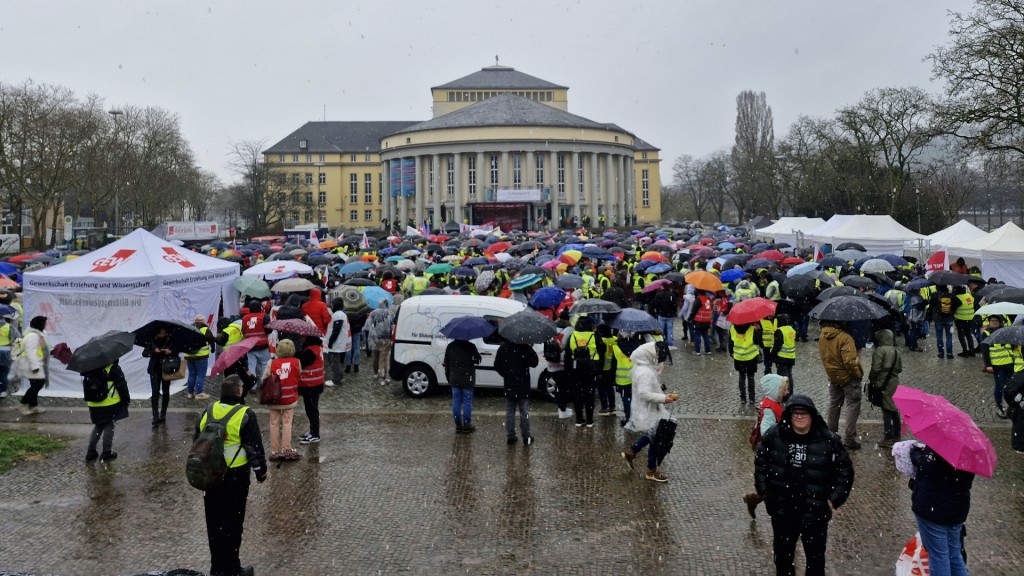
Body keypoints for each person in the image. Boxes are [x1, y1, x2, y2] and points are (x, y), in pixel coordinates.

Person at [754, 395, 855, 576]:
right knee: (783, 558)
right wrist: (764, 491)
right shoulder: (774, 435)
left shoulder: (829, 440)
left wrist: (834, 500)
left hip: (815, 513)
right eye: (796, 414)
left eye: (804, 413)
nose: (799, 417)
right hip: (783, 511)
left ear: (812, 416)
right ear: (789, 416)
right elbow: (761, 460)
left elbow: (845, 470)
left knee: (815, 561)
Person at [195, 374, 267, 576]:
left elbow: (197, 440)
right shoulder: (245, 414)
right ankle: (233, 569)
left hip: (211, 475)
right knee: (233, 524)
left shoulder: (207, 411)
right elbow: (254, 448)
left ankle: (216, 568)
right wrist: (260, 471)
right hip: (235, 476)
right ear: (239, 391)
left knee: (214, 523)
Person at [903, 442, 974, 576]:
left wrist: (915, 454)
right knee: (954, 554)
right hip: (957, 507)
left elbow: (929, 466)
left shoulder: (941, 444)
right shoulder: (970, 446)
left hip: (934, 509)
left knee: (938, 556)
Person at [620, 342, 678, 483]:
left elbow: (647, 388)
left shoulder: (644, 368)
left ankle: (632, 452)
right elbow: (644, 393)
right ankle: (651, 470)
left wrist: (659, 388)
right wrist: (664, 398)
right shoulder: (645, 371)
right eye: (657, 353)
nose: (658, 356)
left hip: (649, 410)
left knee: (653, 436)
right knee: (655, 439)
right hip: (648, 410)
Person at [742, 373, 789, 518]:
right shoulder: (770, 408)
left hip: (774, 452)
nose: (787, 392)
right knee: (778, 482)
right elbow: (765, 430)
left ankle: (755, 499)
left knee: (776, 482)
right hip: (772, 453)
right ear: (776, 391)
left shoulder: (771, 404)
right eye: (785, 390)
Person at [819, 320, 864, 449]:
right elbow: (849, 362)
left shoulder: (823, 336)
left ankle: (831, 434)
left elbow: (824, 357)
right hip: (848, 378)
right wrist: (857, 374)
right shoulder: (845, 338)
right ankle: (849, 438)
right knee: (853, 405)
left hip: (833, 376)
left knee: (834, 404)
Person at [83, 360, 130, 463]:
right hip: (108, 403)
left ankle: (91, 452)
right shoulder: (113, 368)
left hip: (93, 403)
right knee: (109, 425)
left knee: (99, 425)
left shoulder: (90, 367)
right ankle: (106, 452)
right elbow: (122, 386)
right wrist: (126, 400)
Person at [494, 336, 538, 445]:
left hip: (510, 383)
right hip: (523, 384)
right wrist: (530, 348)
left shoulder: (503, 348)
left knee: (510, 411)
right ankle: (526, 436)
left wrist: (506, 374)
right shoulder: (525, 348)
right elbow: (534, 362)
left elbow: (497, 365)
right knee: (524, 411)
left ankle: (511, 436)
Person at [264, 339, 301, 462]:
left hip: (275, 400)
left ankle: (275, 450)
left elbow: (264, 378)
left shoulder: (272, 363)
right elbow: (299, 374)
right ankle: (286, 448)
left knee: (274, 424)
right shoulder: (296, 362)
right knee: (287, 424)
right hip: (289, 399)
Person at [566, 316, 605, 427]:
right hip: (591, 369)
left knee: (578, 395)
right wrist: (599, 371)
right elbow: (602, 351)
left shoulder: (572, 336)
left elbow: (568, 355)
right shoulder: (594, 336)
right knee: (589, 395)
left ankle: (579, 419)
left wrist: (568, 372)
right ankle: (589, 420)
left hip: (576, 369)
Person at [868, 328, 902, 449]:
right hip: (894, 381)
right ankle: (897, 434)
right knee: (893, 408)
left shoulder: (880, 351)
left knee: (886, 409)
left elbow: (876, 369)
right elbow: (900, 369)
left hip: (882, 382)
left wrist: (872, 379)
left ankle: (888, 437)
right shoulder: (896, 351)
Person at [443, 337, 481, 433]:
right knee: (467, 401)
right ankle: (467, 424)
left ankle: (458, 424)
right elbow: (478, 360)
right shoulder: (470, 346)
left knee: (456, 401)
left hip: (455, 378)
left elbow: (446, 362)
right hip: (468, 378)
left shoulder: (450, 346)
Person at [980, 315, 1013, 419]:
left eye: (995, 321)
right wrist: (988, 365)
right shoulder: (987, 333)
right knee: (999, 387)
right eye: (991, 321)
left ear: (1000, 322)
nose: (993, 322)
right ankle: (1000, 407)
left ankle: (1011, 407)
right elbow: (985, 351)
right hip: (997, 366)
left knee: (1011, 387)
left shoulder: (1006, 332)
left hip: (1010, 364)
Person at [296, 335, 326, 445]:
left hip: (311, 385)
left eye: (302, 337)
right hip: (314, 384)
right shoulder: (315, 348)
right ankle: (312, 431)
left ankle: (315, 434)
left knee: (312, 410)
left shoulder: (311, 350)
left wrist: (296, 355)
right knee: (311, 409)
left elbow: (302, 362)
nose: (301, 338)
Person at [18, 316, 50, 415]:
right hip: (30, 364)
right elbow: (30, 352)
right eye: (45, 323)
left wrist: (54, 352)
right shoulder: (33, 336)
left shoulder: (40, 335)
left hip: (36, 363)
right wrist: (34, 367)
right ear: (40, 324)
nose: (46, 325)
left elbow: (43, 348)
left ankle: (33, 406)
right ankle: (23, 405)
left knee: (36, 385)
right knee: (37, 384)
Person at [185, 314, 216, 400]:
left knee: (191, 374)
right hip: (200, 357)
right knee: (200, 375)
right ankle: (199, 393)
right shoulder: (205, 330)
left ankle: (190, 393)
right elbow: (212, 340)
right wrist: (213, 348)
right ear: (203, 322)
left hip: (189, 356)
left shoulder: (188, 329)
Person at [366, 299, 395, 385]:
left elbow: (367, 326)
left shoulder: (373, 313)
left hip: (375, 338)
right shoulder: (390, 313)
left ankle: (375, 373)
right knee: (383, 358)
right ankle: (382, 378)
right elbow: (393, 327)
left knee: (375, 356)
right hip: (386, 339)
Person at [324, 298, 351, 387]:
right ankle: (339, 376)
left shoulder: (338, 315)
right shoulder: (339, 314)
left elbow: (336, 330)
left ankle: (336, 379)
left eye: (332, 305)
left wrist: (331, 341)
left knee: (334, 360)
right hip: (337, 341)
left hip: (337, 342)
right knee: (334, 359)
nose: (331, 306)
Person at [730, 323, 760, 405]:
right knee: (751, 377)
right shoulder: (752, 329)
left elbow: (730, 343)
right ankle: (752, 398)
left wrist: (732, 353)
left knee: (741, 376)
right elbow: (758, 341)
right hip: (751, 357)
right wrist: (759, 330)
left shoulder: (732, 328)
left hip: (738, 357)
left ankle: (743, 398)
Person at [770, 314, 797, 394]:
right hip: (791, 356)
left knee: (782, 377)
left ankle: (784, 394)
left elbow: (777, 345)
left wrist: (772, 355)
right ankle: (790, 392)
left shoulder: (780, 331)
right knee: (789, 376)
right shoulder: (791, 329)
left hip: (782, 358)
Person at [930, 285, 957, 359]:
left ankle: (941, 353)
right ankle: (949, 353)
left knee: (939, 336)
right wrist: (952, 311)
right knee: (949, 336)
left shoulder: (934, 295)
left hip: (938, 318)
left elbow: (931, 306)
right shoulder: (952, 296)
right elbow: (958, 303)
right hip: (949, 318)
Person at [0, 313, 21, 399]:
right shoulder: (9, 327)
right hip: (6, 352)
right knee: (4, 372)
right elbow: (18, 339)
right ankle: (2, 391)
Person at [652, 283, 677, 348]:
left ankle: (661, 342)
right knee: (670, 329)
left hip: (661, 314)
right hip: (670, 315)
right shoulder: (671, 295)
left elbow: (656, 305)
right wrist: (673, 312)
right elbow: (674, 305)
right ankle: (670, 343)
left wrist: (657, 311)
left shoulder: (658, 294)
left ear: (662, 286)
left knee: (661, 329)